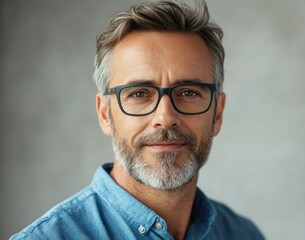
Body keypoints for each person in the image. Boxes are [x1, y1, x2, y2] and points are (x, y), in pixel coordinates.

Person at [11, 0, 264, 239]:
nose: (165, 117)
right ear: (104, 114)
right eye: (139, 94)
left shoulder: (243, 234)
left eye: (188, 92)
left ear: (217, 114)